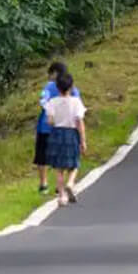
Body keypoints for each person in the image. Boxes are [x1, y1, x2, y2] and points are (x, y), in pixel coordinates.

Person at [35, 61, 81, 194]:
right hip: (66, 127)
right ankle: (60, 186)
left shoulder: (49, 87)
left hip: (45, 126)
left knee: (42, 156)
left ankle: (43, 184)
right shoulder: (73, 88)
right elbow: (78, 106)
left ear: (54, 73)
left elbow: (43, 102)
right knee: (62, 157)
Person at [44, 72, 87, 207]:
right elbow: (79, 121)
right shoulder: (76, 102)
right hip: (71, 133)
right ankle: (71, 183)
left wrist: (56, 121)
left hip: (57, 133)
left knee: (59, 168)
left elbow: (49, 121)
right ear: (71, 87)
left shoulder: (52, 102)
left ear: (57, 88)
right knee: (74, 163)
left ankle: (61, 196)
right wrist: (83, 140)